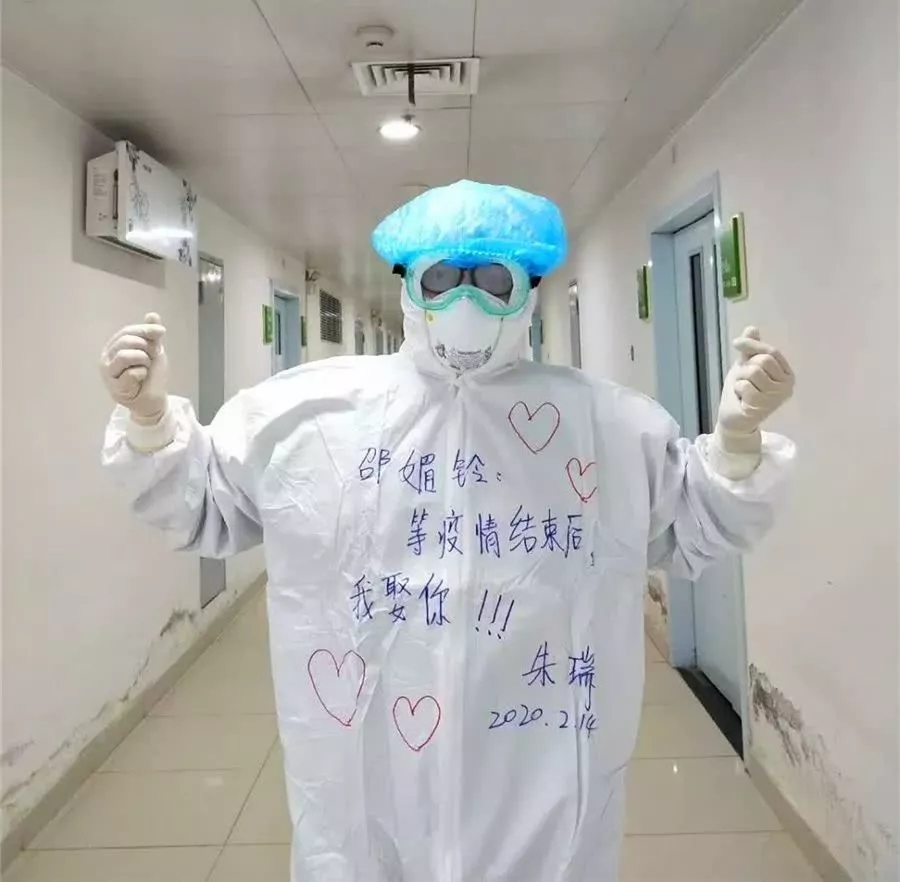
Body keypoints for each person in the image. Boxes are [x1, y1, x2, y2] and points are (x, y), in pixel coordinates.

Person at [100, 180, 795, 882]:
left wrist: (736, 443)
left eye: (494, 280)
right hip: (368, 773)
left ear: (529, 289)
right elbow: (206, 505)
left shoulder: (607, 423)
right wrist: (152, 424)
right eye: (443, 278)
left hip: (538, 764)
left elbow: (694, 521)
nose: (467, 301)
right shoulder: (311, 415)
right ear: (407, 283)